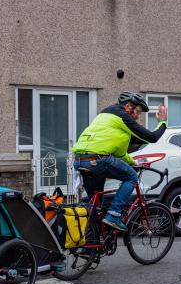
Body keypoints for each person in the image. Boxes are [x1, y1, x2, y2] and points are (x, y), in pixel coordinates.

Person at [72, 92, 168, 231]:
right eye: (138, 111)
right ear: (128, 107)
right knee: (131, 177)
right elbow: (152, 137)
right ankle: (114, 215)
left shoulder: (105, 115)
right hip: (98, 160)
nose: (137, 116)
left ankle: (89, 246)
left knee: (96, 207)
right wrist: (163, 122)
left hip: (80, 160)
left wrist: (133, 162)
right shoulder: (122, 116)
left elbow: (120, 152)